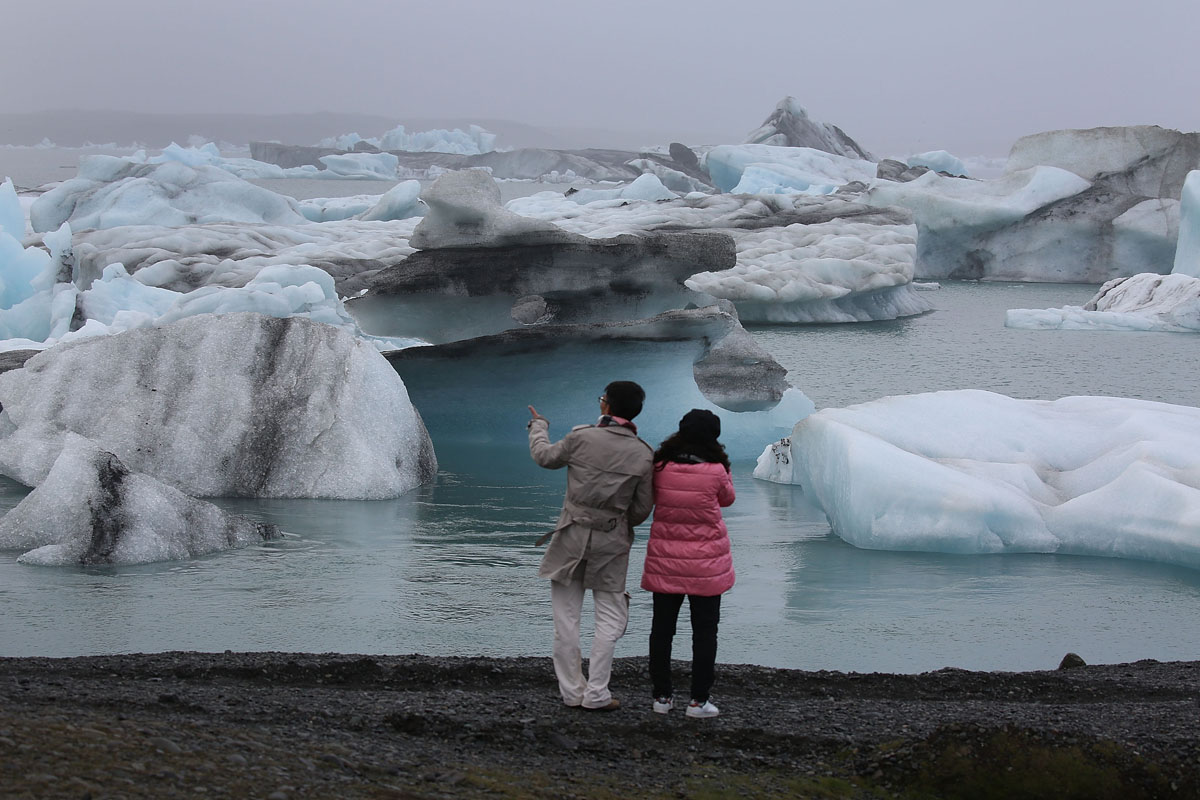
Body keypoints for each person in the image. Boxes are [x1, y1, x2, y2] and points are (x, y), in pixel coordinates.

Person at [527, 381, 654, 711]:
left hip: (571, 536)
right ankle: (597, 692)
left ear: (607, 407)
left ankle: (572, 692)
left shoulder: (581, 437)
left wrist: (539, 427)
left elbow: (544, 457)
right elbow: (642, 509)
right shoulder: (643, 453)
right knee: (610, 618)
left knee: (566, 619)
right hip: (612, 541)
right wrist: (616, 525)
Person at [641, 408, 735, 719]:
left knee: (662, 629)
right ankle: (698, 702)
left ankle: (662, 697)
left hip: (666, 560)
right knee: (705, 632)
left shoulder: (661, 465)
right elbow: (727, 499)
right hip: (706, 564)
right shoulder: (716, 470)